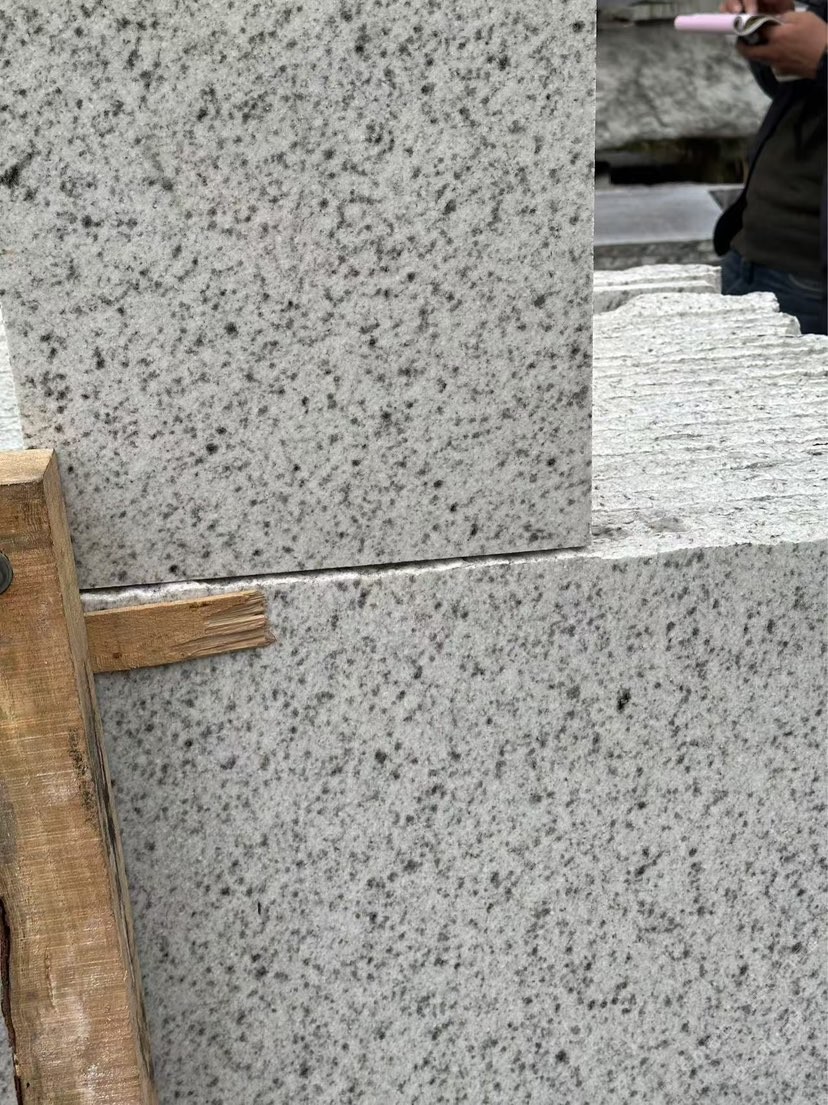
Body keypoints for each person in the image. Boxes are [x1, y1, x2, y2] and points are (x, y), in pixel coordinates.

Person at [714, 0, 827, 334]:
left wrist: (822, 55)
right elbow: (798, 91)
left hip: (812, 276)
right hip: (750, 248)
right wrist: (774, 25)